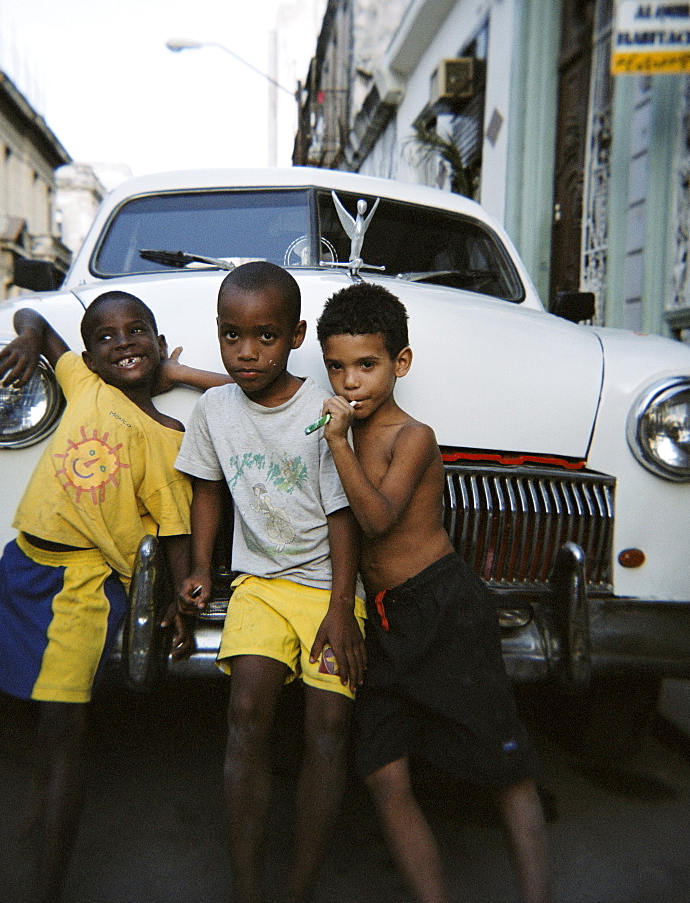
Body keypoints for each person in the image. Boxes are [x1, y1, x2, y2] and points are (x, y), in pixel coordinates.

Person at [0, 290, 224, 903]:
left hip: (80, 588)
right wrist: (29, 339)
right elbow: (33, 317)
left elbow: (176, 533)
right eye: (105, 336)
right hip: (17, 565)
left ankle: (47, 879)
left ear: (158, 346)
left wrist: (178, 600)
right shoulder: (81, 382)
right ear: (87, 355)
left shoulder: (168, 436)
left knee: (65, 732)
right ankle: (47, 774)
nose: (123, 342)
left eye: (138, 332)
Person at [315, 282, 553, 903]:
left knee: (503, 761)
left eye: (367, 366)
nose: (351, 383)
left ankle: (536, 894)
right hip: (384, 619)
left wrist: (337, 443)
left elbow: (377, 519)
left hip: (443, 607)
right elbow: (262, 391)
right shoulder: (339, 421)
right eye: (336, 368)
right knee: (382, 770)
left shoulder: (411, 436)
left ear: (400, 364)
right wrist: (179, 370)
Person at [174, 261, 365, 903]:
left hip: (329, 587)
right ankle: (249, 885)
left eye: (264, 335)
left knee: (328, 722)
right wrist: (201, 568)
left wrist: (342, 608)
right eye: (231, 335)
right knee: (247, 709)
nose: (245, 352)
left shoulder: (325, 410)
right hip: (259, 583)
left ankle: (300, 882)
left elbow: (344, 516)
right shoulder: (214, 409)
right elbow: (207, 491)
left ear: (296, 336)